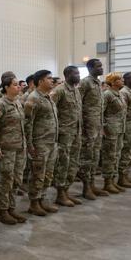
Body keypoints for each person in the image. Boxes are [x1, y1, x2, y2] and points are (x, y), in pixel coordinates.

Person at [0, 75, 27, 225]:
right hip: (6, 149)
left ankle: (11, 208)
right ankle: (2, 211)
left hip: (19, 147)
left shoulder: (17, 102)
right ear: (6, 87)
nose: (18, 87)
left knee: (16, 180)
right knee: (5, 180)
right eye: (15, 85)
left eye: (18, 85)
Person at [24, 70, 59, 216]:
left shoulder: (48, 97)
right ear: (40, 82)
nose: (52, 81)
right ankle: (34, 203)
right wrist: (30, 145)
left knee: (48, 174)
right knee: (38, 174)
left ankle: (42, 200)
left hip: (51, 142)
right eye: (49, 79)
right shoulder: (33, 99)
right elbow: (27, 124)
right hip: (39, 143)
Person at [50, 66, 83, 206]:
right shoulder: (59, 90)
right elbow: (51, 110)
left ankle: (66, 191)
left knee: (73, 163)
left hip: (76, 133)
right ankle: (60, 193)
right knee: (63, 163)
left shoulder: (76, 90)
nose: (78, 75)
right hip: (64, 134)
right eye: (76, 73)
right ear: (68, 75)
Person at [78, 58, 108, 199]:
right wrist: (82, 126)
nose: (101, 68)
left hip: (97, 126)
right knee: (87, 157)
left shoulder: (98, 83)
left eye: (101, 66)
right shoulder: (85, 82)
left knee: (95, 157)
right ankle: (86, 187)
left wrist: (101, 125)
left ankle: (92, 184)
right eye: (98, 66)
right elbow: (78, 105)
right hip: (88, 127)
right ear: (90, 68)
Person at [101, 73, 128, 191]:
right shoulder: (107, 94)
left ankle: (113, 180)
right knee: (109, 155)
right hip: (110, 130)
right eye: (120, 79)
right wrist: (103, 128)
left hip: (120, 129)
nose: (122, 81)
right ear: (113, 82)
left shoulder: (119, 94)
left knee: (117, 155)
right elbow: (101, 112)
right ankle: (107, 182)